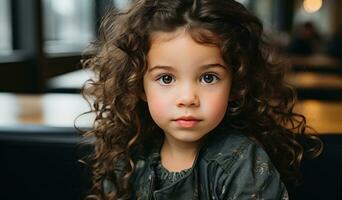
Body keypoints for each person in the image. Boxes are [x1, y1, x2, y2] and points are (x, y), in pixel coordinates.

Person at [81, 0, 322, 199]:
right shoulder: (130, 154)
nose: (188, 98)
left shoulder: (242, 163)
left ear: (236, 85)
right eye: (166, 78)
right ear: (139, 86)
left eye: (208, 77)